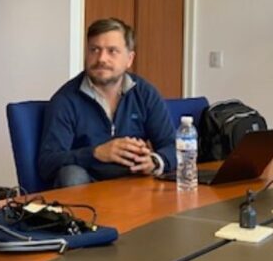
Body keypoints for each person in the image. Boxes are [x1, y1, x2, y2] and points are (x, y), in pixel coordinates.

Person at [38, 17, 176, 188]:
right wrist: (95, 153)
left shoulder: (144, 93)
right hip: (88, 186)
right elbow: (47, 162)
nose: (101, 58)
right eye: (94, 50)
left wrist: (154, 161)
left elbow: (173, 146)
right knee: (71, 175)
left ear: (129, 59)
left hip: (134, 185)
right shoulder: (66, 99)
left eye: (112, 51)